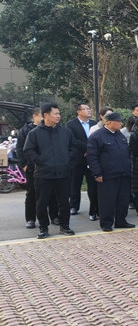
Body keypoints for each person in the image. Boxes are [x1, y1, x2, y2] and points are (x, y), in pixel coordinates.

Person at [23, 103, 77, 239]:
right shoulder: (34, 133)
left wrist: (66, 159)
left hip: (63, 172)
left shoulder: (66, 132)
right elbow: (28, 150)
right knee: (42, 202)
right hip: (43, 173)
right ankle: (43, 227)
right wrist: (41, 160)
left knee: (64, 201)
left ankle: (64, 225)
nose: (58, 116)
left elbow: (73, 148)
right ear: (46, 115)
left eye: (59, 113)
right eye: (55, 114)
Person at [87, 112, 135, 232]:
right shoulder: (98, 136)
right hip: (107, 174)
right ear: (109, 123)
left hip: (123, 173)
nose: (121, 124)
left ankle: (121, 220)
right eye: (118, 121)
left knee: (123, 199)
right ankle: (106, 223)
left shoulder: (120, 135)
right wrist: (97, 173)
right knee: (107, 200)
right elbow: (92, 156)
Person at [18, 108, 59, 229]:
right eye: (41, 115)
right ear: (34, 116)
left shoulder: (53, 129)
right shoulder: (26, 130)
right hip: (32, 167)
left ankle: (54, 216)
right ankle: (30, 218)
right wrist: (24, 164)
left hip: (50, 167)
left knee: (52, 192)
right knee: (32, 193)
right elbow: (20, 149)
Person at [65, 102, 98, 219]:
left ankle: (94, 208)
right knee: (75, 183)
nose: (89, 110)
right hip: (78, 158)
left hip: (92, 158)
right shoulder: (70, 124)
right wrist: (87, 148)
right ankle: (74, 205)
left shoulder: (94, 124)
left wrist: (90, 150)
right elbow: (73, 140)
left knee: (92, 184)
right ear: (78, 111)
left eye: (89, 109)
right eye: (86, 109)